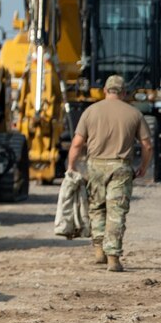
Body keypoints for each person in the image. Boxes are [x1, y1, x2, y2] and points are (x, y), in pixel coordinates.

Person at [67, 75, 156, 272]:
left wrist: (71, 167)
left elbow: (76, 143)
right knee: (116, 211)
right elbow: (147, 146)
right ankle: (113, 257)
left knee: (97, 208)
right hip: (120, 167)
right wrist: (143, 166)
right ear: (124, 93)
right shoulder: (134, 114)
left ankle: (99, 250)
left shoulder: (90, 112)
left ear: (105, 91)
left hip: (95, 167)